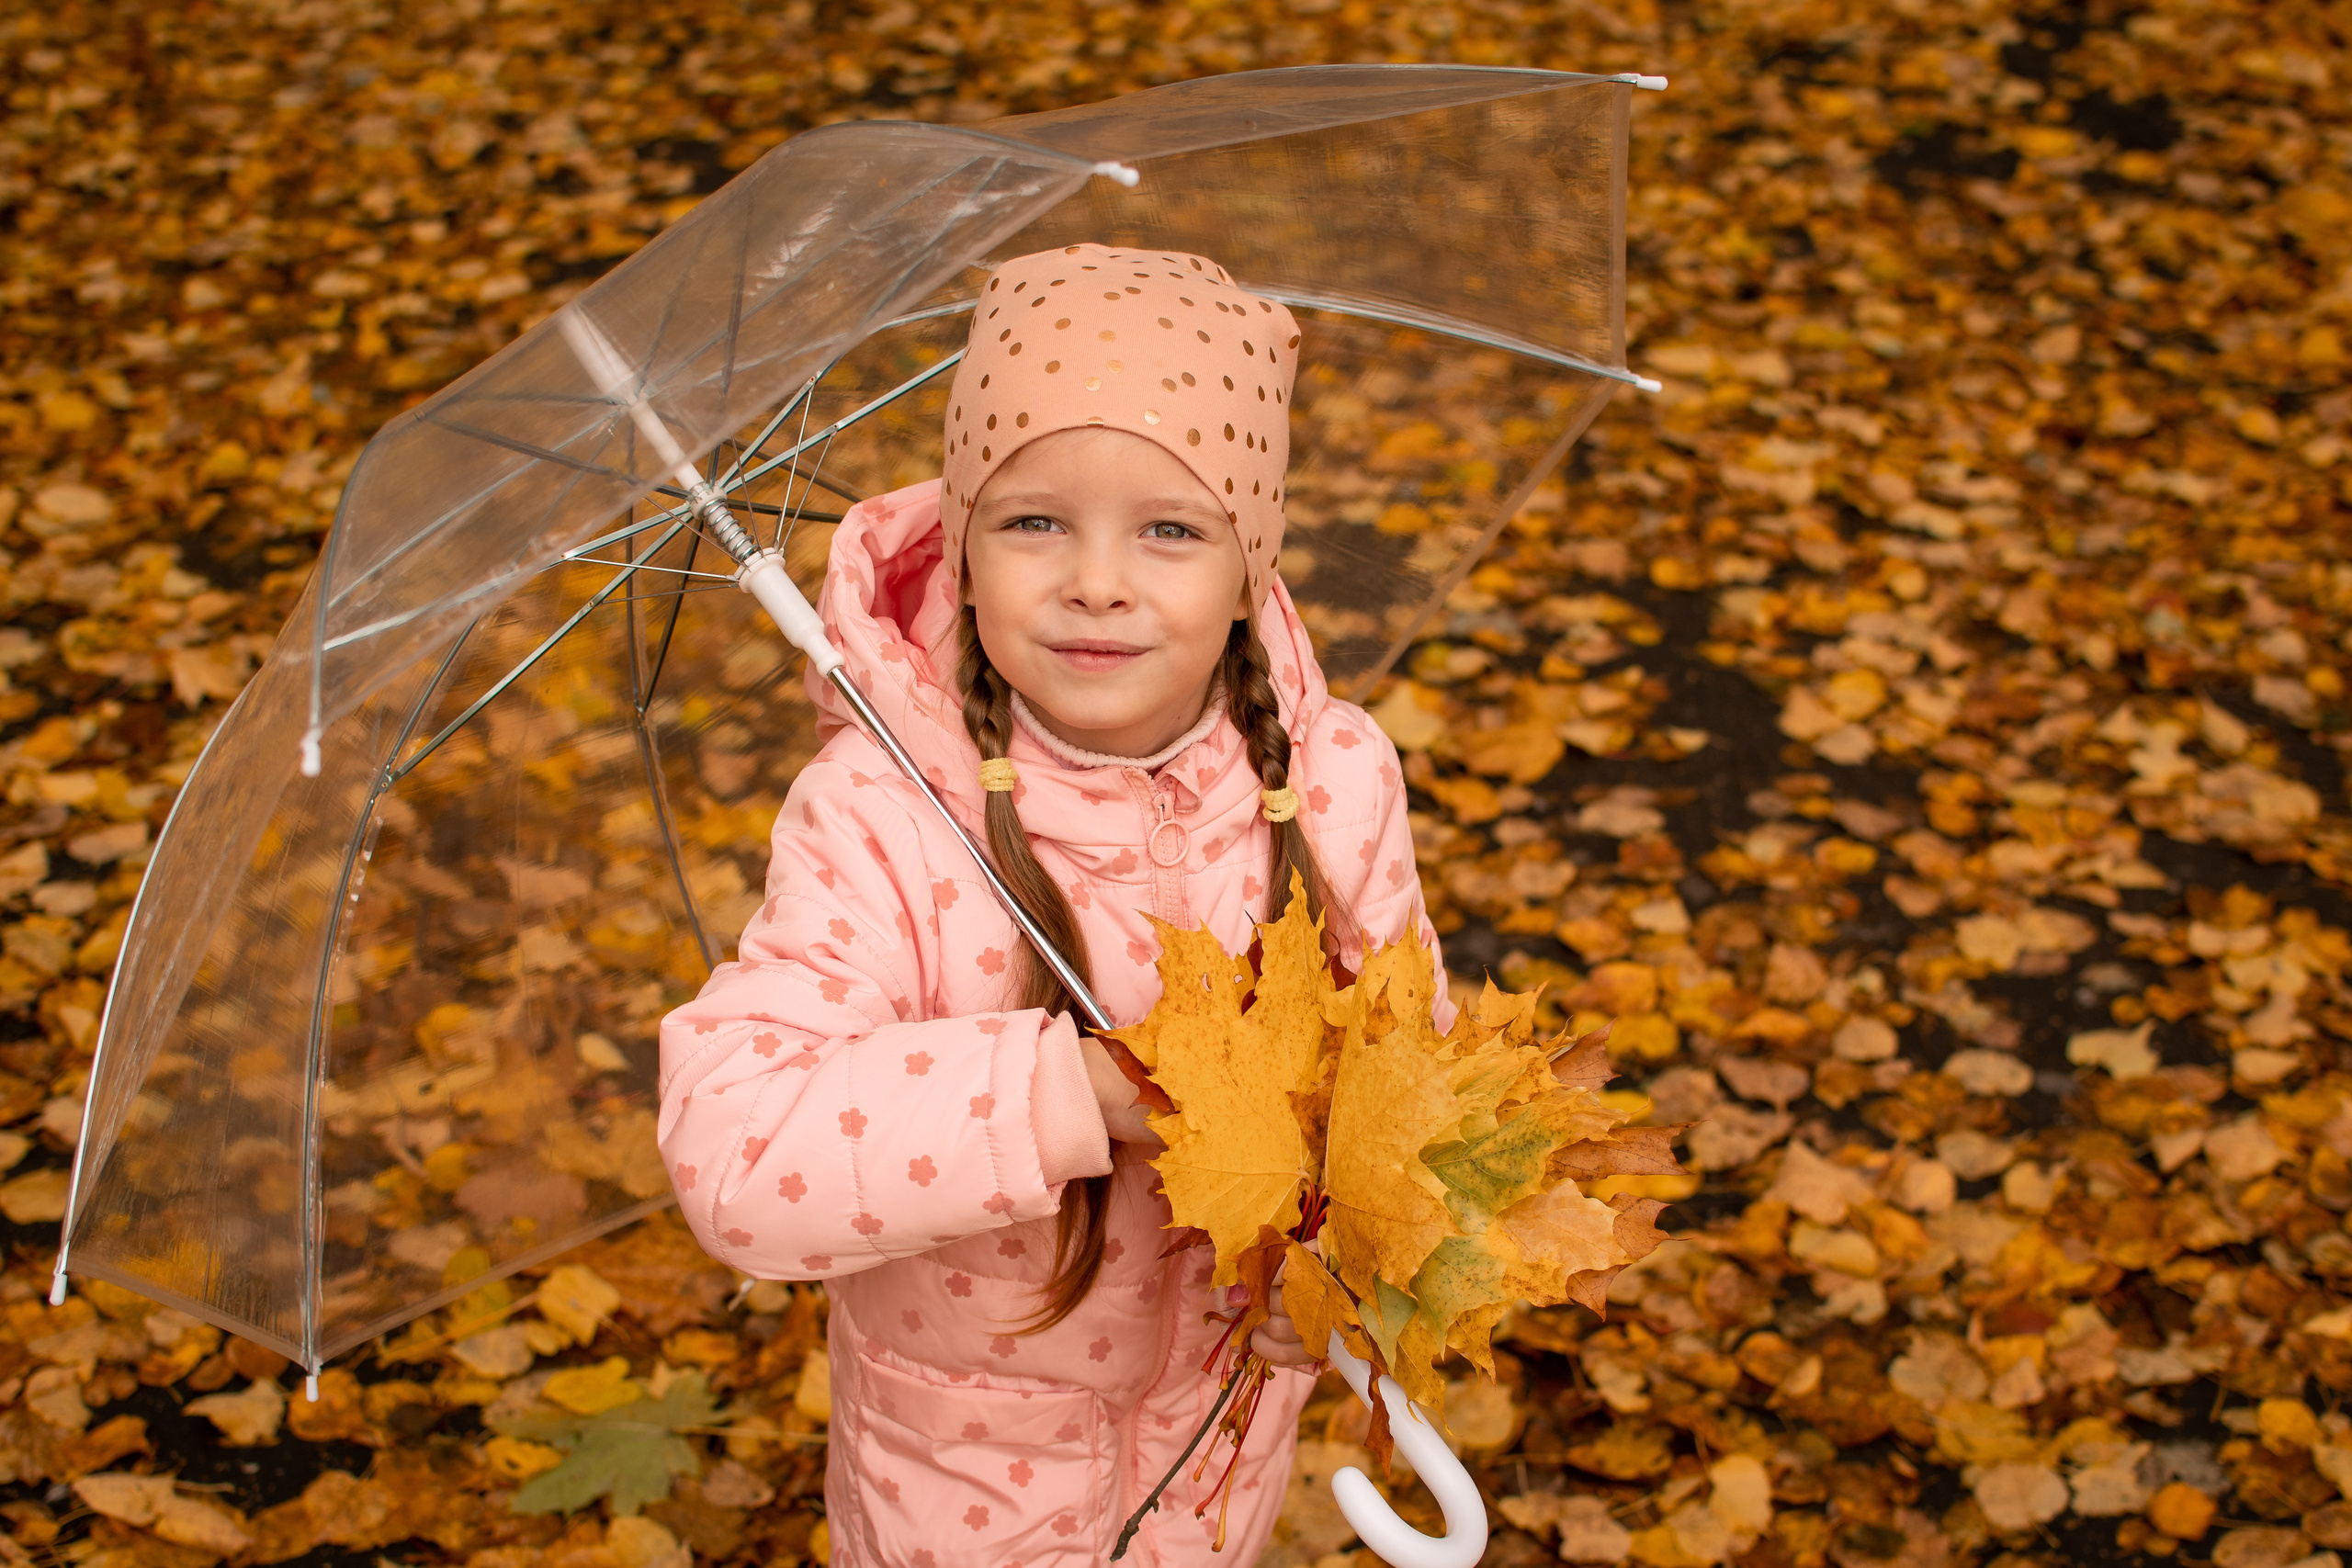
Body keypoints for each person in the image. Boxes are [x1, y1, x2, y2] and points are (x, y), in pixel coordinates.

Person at [659, 243, 1446, 1566]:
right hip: (954, 1495)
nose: (1096, 578)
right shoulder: (882, 814)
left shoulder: (1335, 780)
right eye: (1034, 520)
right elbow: (736, 1152)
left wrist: (1342, 1282)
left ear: (1251, 565)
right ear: (961, 545)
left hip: (1215, 1469)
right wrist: (1076, 1093)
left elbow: (1410, 1089)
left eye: (1170, 529)